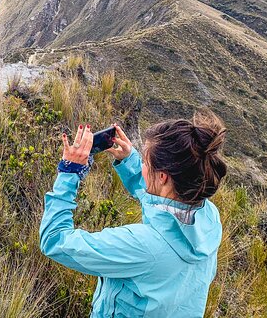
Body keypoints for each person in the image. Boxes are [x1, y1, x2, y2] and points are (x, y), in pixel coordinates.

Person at [40, 111, 227, 317]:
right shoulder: (208, 218)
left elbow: (55, 240)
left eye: (146, 163)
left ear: (163, 176)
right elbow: (164, 201)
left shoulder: (140, 246)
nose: (143, 166)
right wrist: (131, 162)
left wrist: (69, 173)